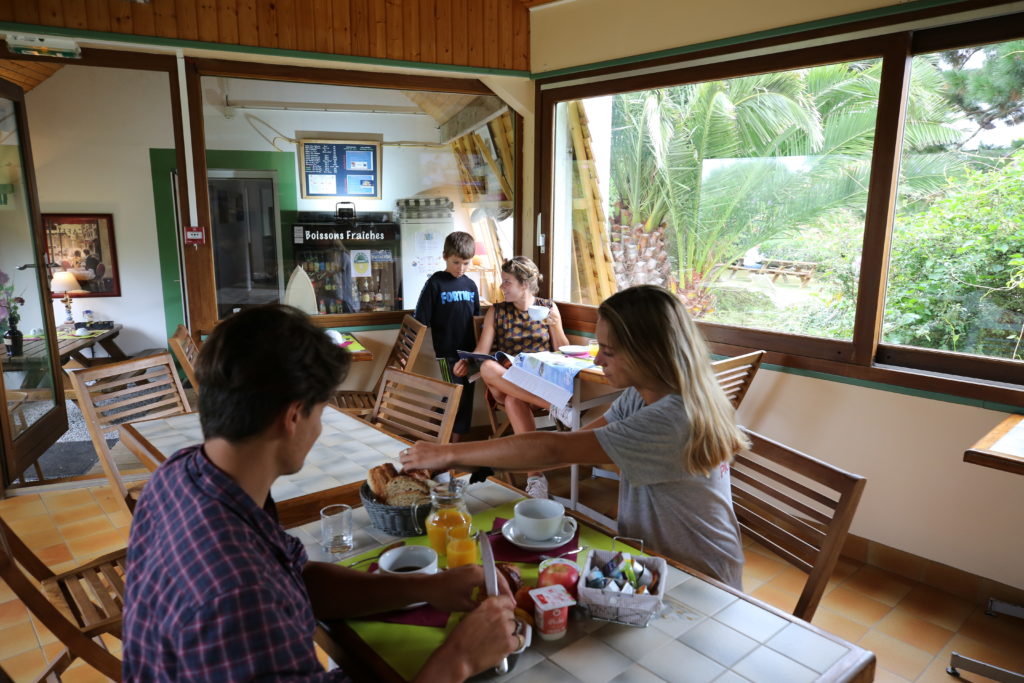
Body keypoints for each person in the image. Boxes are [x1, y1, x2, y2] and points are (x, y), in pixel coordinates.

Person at [122, 304, 519, 681]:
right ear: (293, 417)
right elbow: (256, 592)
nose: (320, 427)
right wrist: (460, 658)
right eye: (321, 410)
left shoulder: (182, 475)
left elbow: (294, 580)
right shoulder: (237, 593)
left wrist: (426, 587)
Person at [402, 285, 748, 589]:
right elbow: (571, 448)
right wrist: (452, 460)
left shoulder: (672, 418)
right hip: (652, 562)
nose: (598, 358)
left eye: (608, 351)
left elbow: (553, 448)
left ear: (648, 353)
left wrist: (446, 453)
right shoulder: (645, 393)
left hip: (698, 577)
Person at [452, 256, 570, 499]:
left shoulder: (548, 308)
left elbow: (563, 352)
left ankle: (535, 478)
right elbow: (482, 353)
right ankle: (556, 407)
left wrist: (556, 326)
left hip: (537, 382)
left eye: (507, 282)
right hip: (509, 380)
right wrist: (466, 362)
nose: (501, 287)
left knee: (515, 401)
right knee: (487, 369)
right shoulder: (497, 311)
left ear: (524, 284)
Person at [414, 231, 481, 442]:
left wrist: (476, 354)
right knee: (455, 393)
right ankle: (445, 442)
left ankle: (452, 443)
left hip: (469, 354)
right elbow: (421, 318)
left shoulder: (471, 286)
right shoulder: (435, 283)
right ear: (444, 256)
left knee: (465, 396)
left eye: (466, 263)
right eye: (456, 263)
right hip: (446, 353)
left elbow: (476, 320)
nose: (461, 268)